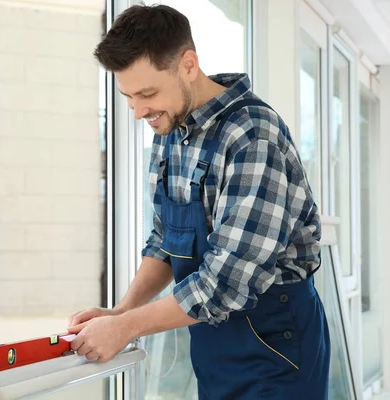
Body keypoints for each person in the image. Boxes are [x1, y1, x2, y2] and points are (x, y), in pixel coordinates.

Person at [67, 4, 331, 399]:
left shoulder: (253, 136)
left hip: (276, 347)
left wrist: (128, 327)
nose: (138, 111)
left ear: (188, 64)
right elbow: (164, 243)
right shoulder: (170, 131)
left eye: (147, 93)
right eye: (127, 97)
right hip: (212, 341)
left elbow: (226, 282)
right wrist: (121, 312)